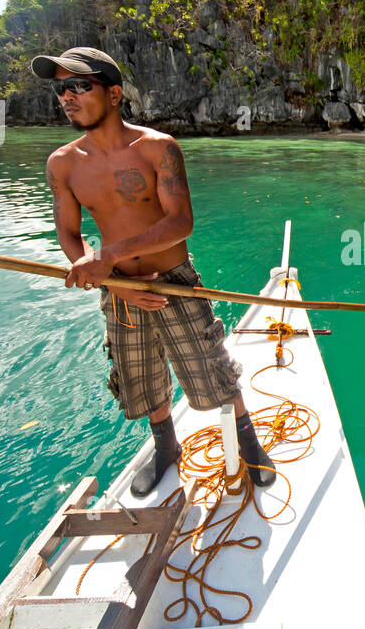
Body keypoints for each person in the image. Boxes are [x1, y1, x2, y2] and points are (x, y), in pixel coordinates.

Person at [34, 47, 274, 496]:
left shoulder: (158, 148)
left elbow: (180, 222)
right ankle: (166, 447)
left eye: (79, 85)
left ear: (114, 93)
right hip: (118, 289)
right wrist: (108, 278)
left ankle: (248, 442)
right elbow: (69, 234)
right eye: (60, 88)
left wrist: (107, 256)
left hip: (174, 282)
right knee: (140, 377)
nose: (66, 96)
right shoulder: (63, 163)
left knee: (212, 369)